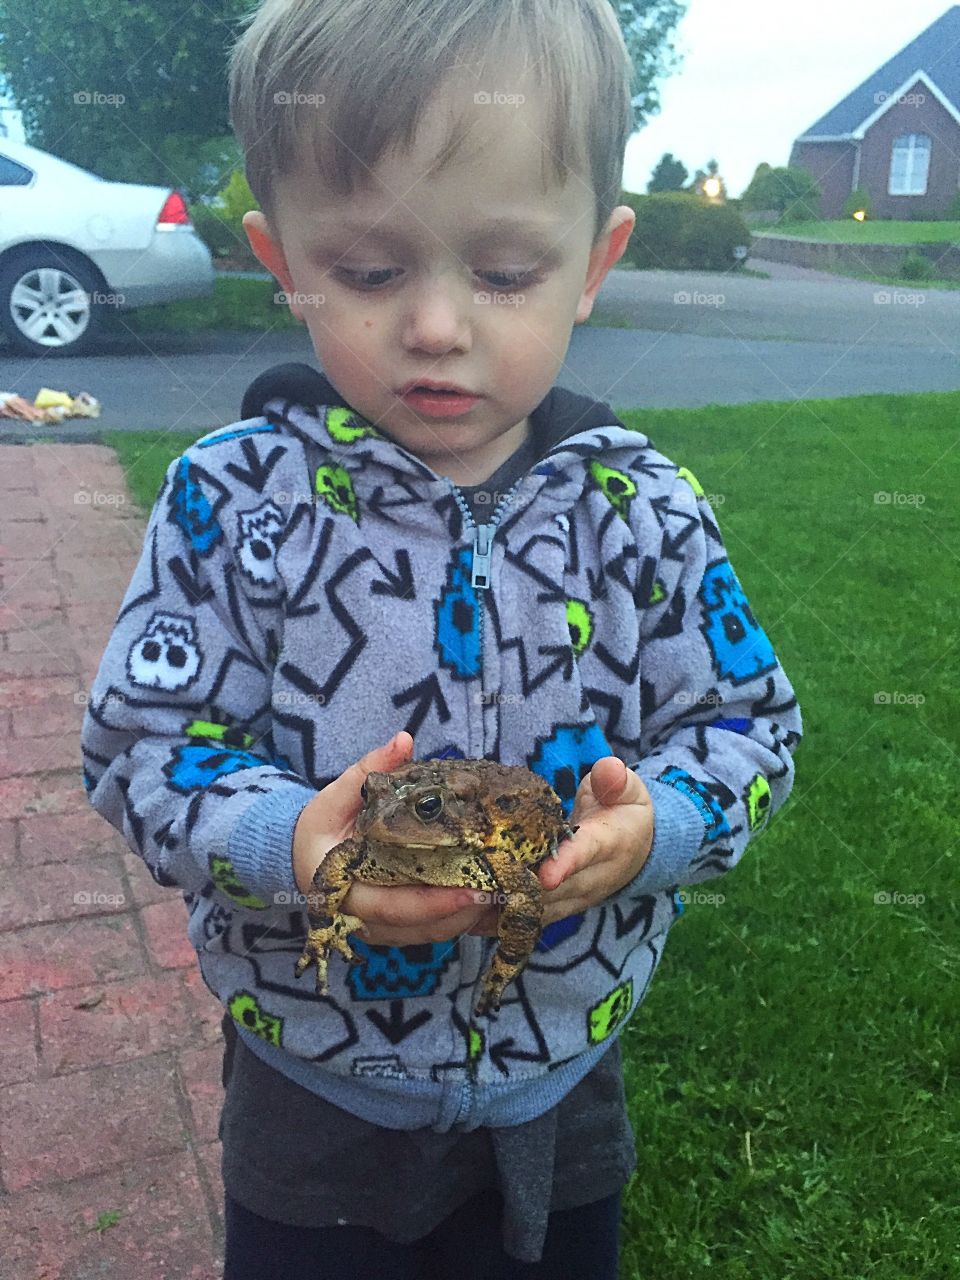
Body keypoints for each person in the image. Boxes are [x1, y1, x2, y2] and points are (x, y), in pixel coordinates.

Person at [80, 1, 802, 1276]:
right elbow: (139, 744)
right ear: (280, 254)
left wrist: (663, 827)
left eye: (506, 273)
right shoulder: (228, 502)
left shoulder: (646, 512)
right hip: (312, 1083)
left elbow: (748, 724)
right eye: (367, 271)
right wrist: (287, 837)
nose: (434, 325)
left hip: (561, 1075)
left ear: (595, 259)